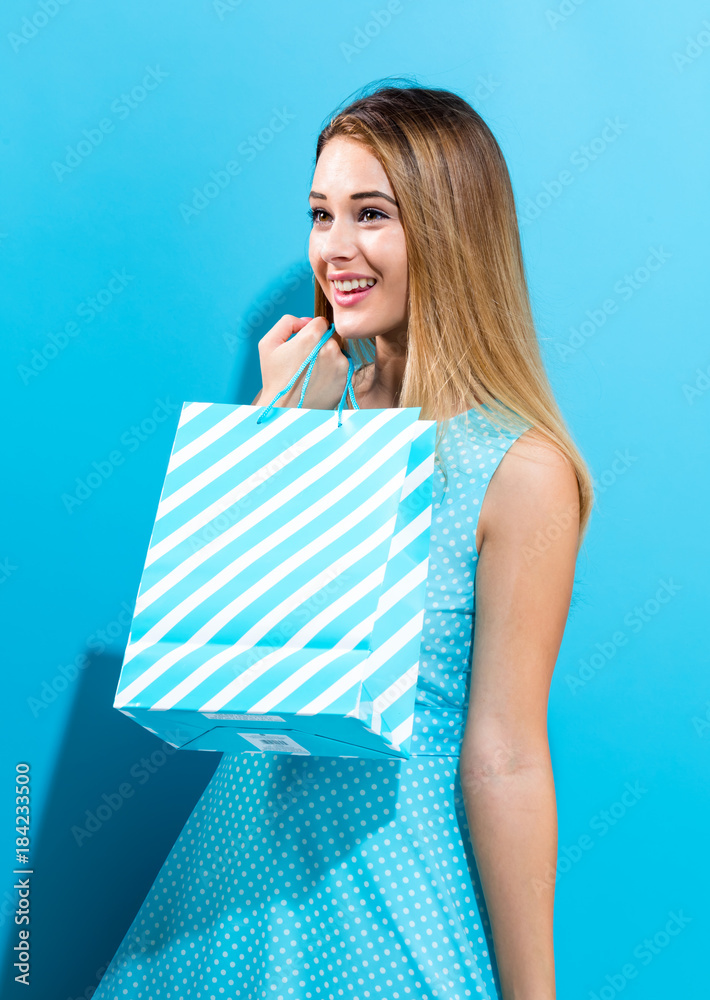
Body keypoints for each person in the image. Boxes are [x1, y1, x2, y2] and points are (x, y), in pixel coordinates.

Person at [95, 81, 593, 1000]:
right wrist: (272, 435)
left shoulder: (519, 472)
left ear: (450, 230)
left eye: (373, 214)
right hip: (228, 890)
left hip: (387, 906)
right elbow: (209, 665)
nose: (335, 248)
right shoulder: (304, 417)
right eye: (322, 214)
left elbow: (508, 754)